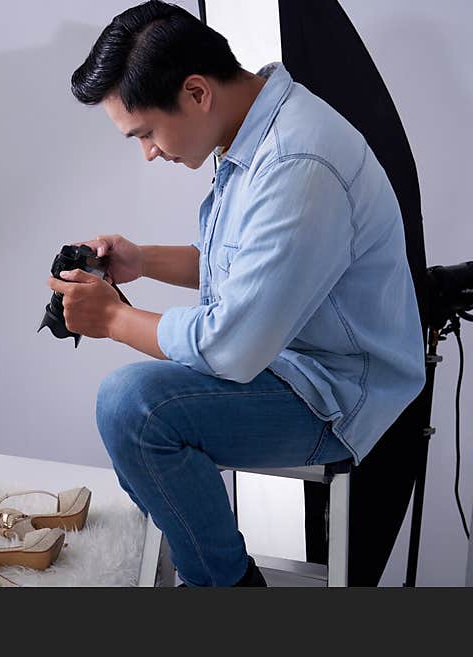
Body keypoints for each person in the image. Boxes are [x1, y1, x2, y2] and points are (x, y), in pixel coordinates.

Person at [48, 0, 426, 587]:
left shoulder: (298, 162)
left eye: (146, 132)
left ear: (196, 92)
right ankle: (212, 565)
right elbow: (247, 277)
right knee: (133, 415)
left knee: (133, 407)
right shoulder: (255, 131)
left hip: (336, 393)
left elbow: (231, 348)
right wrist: (141, 261)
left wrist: (113, 319)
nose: (149, 151)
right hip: (287, 360)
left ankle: (226, 590)